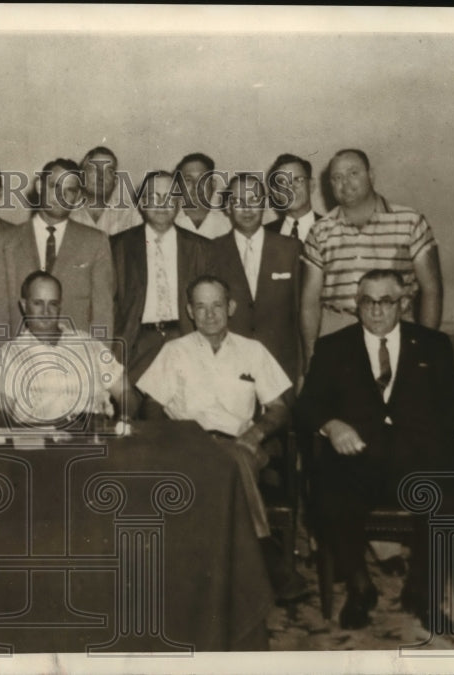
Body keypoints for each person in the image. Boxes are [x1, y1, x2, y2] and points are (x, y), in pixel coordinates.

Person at [295, 269, 454, 630]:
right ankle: (359, 587)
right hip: (357, 462)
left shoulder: (432, 344)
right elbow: (307, 406)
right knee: (326, 495)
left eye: (385, 301)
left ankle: (424, 593)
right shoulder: (333, 347)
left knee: (448, 501)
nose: (376, 310)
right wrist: (332, 425)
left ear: (403, 303)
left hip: (417, 460)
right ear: (357, 304)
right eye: (367, 301)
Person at [136, 275, 306, 602]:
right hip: (189, 444)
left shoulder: (253, 351)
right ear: (190, 311)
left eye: (217, 305)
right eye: (201, 307)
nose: (210, 314)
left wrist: (256, 433)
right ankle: (265, 553)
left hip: (241, 443)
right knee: (224, 464)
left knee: (234, 459)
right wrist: (174, 438)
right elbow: (151, 405)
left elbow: (279, 408)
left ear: (231, 307)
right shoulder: (174, 351)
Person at [300, 148, 444, 369]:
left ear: (371, 175)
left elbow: (431, 289)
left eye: (353, 173)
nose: (345, 183)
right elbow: (309, 302)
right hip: (337, 333)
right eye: (336, 178)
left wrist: (424, 349)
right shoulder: (319, 231)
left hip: (395, 331)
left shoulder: (410, 222)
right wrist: (312, 360)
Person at [0, 158, 114, 341]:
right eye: (54, 186)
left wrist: (99, 356)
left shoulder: (96, 242)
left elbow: (103, 315)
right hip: (20, 352)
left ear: (78, 196)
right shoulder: (5, 242)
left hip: (75, 353)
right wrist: (1, 357)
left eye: (70, 190)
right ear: (40, 187)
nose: (61, 196)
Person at [0, 271, 133, 428]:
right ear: (24, 306)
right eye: (38, 303)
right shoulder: (10, 353)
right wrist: (29, 434)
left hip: (94, 435)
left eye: (53, 304)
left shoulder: (90, 344)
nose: (46, 312)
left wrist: (123, 420)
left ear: (60, 306)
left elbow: (127, 393)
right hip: (40, 439)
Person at [111, 170, 214, 388]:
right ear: (142, 203)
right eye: (154, 196)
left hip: (185, 339)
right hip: (136, 342)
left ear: (179, 203)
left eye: (169, 197)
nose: (162, 204)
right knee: (136, 406)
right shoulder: (118, 246)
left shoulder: (201, 248)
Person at [209, 174, 303, 383]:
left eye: (254, 200)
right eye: (238, 201)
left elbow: (301, 313)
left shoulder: (290, 249)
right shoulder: (212, 251)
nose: (247, 208)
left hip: (281, 366)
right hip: (229, 367)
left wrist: (302, 371)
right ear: (227, 208)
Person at [70, 146, 141, 236]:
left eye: (109, 171)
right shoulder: (66, 212)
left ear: (115, 181)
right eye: (94, 169)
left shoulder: (131, 215)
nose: (101, 177)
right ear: (82, 176)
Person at [172, 152, 232, 240]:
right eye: (188, 180)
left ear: (213, 185)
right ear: (178, 187)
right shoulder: (168, 223)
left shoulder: (230, 225)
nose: (196, 186)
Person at [264, 153, 322, 242]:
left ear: (311, 185)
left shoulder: (333, 229)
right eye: (283, 182)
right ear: (276, 193)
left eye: (298, 180)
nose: (291, 189)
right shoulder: (264, 235)